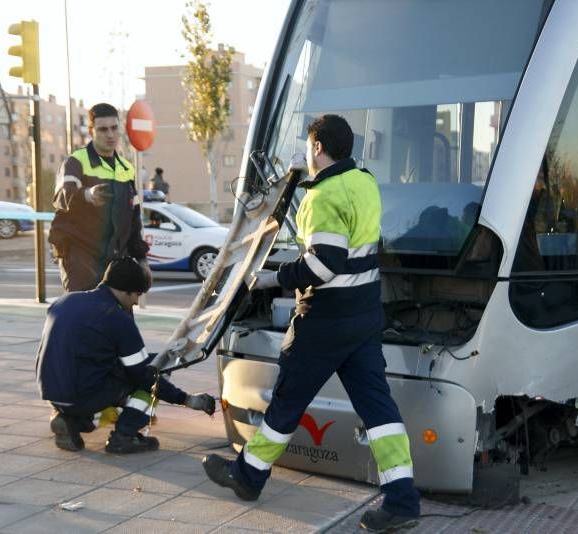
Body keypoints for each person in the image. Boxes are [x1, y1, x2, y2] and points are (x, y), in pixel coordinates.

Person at [201, 115, 421, 532]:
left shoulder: (322, 197)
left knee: (286, 403)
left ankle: (247, 478)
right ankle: (403, 500)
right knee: (379, 410)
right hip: (364, 316)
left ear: (318, 148)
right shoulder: (364, 181)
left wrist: (273, 278)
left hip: (323, 322)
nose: (305, 153)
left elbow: (324, 264)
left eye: (307, 147)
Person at [36, 257, 216, 454]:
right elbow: (144, 375)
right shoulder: (117, 318)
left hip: (52, 392)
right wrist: (185, 399)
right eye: (137, 294)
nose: (137, 302)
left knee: (118, 370)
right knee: (159, 370)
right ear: (125, 290)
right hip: (83, 395)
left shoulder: (65, 301)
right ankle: (124, 436)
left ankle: (72, 421)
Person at [48, 103, 151, 292]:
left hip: (116, 262)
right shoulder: (76, 161)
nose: (110, 135)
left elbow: (134, 219)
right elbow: (61, 196)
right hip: (81, 259)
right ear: (91, 131)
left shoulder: (126, 169)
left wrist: (142, 259)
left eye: (114, 128)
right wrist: (87, 194)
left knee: (118, 317)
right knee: (83, 316)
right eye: (103, 129)